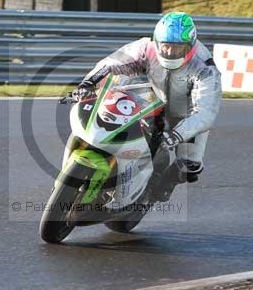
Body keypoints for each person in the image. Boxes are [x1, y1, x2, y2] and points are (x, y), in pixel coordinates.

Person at [74, 12, 222, 201]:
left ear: (191, 46)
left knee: (189, 166)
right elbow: (111, 64)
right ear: (157, 41)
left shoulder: (205, 68)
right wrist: (87, 84)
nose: (169, 53)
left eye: (177, 48)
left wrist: (177, 134)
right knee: (113, 119)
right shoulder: (146, 47)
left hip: (187, 116)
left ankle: (163, 186)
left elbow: (205, 112)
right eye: (166, 46)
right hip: (150, 100)